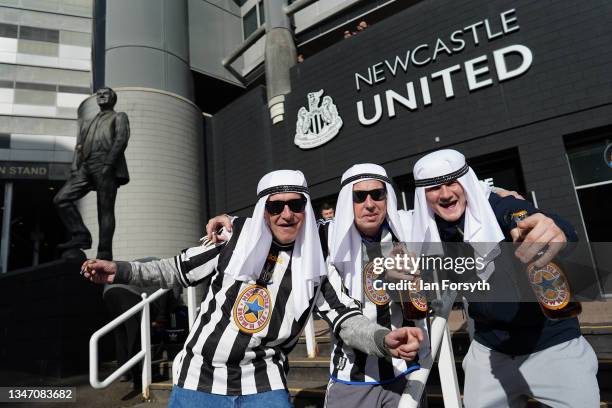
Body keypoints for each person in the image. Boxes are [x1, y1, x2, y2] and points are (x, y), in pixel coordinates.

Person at [83, 170, 423, 407]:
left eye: (296, 205)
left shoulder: (316, 261)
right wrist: (122, 269)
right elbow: (175, 270)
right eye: (276, 206)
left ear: (306, 207)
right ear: (264, 211)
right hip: (198, 379)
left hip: (265, 382)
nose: (287, 214)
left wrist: (382, 340)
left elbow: (346, 318)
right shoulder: (233, 241)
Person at [410, 149, 599, 408]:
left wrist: (554, 230)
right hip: (489, 351)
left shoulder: (499, 206)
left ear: (465, 182)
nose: (445, 194)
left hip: (551, 344)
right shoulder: (430, 233)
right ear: (423, 196)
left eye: (452, 182)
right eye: (434, 188)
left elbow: (524, 216)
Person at [54, 87, 130, 260]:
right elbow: (79, 145)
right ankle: (80, 234)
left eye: (106, 94)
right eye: (99, 94)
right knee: (61, 199)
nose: (101, 96)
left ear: (113, 98)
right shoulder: (88, 122)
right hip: (86, 166)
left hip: (105, 164)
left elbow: (121, 140)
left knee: (105, 210)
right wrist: (75, 166)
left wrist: (109, 164)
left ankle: (104, 251)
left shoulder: (119, 117)